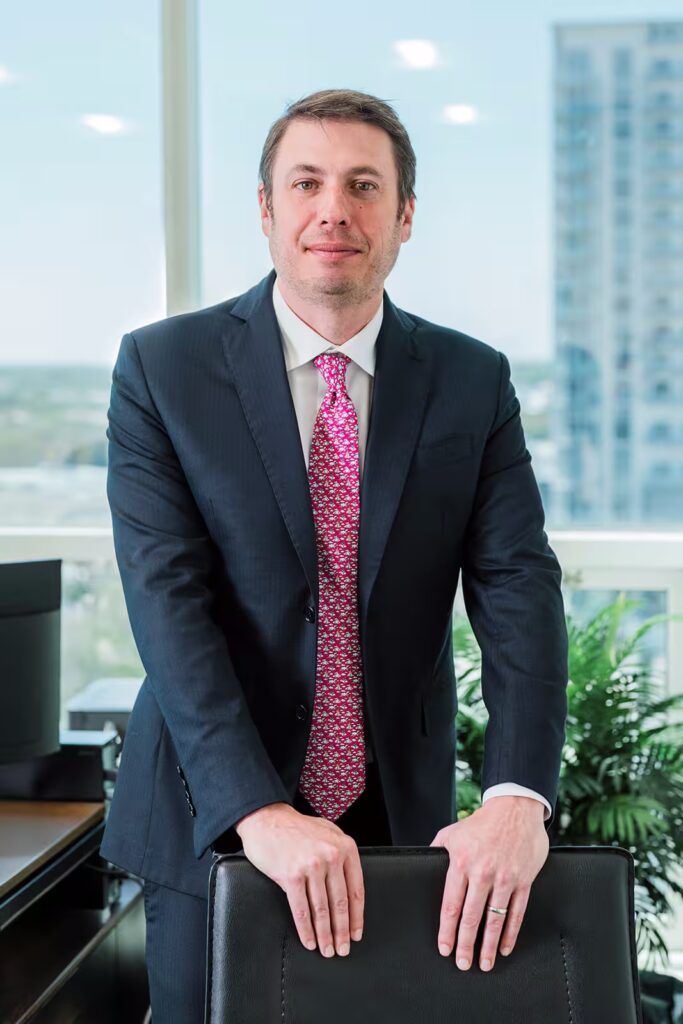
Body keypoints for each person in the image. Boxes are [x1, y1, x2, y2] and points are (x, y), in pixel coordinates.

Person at [100, 88, 568, 1022]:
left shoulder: (471, 380)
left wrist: (517, 794)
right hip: (214, 810)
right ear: (266, 210)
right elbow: (168, 604)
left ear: (402, 217)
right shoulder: (162, 369)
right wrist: (259, 811)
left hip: (398, 814)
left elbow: (517, 583)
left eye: (363, 185)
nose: (333, 210)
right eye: (305, 182)